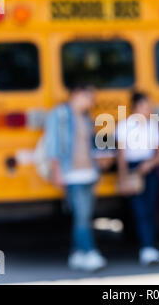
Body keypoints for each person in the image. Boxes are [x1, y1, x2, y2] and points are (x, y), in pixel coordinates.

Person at [44, 82, 107, 272]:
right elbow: (53, 144)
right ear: (78, 94)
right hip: (71, 174)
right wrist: (57, 172)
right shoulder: (60, 114)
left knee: (83, 216)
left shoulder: (86, 118)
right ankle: (90, 252)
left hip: (88, 172)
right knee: (82, 216)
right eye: (89, 98)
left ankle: (78, 254)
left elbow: (92, 144)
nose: (91, 103)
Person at [116, 91, 159, 266]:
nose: (149, 108)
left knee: (152, 208)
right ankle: (146, 247)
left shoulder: (154, 126)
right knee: (139, 210)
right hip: (133, 170)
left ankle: (150, 246)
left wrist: (150, 164)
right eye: (146, 105)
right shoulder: (124, 126)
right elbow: (121, 156)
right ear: (136, 107)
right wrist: (123, 177)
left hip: (149, 170)